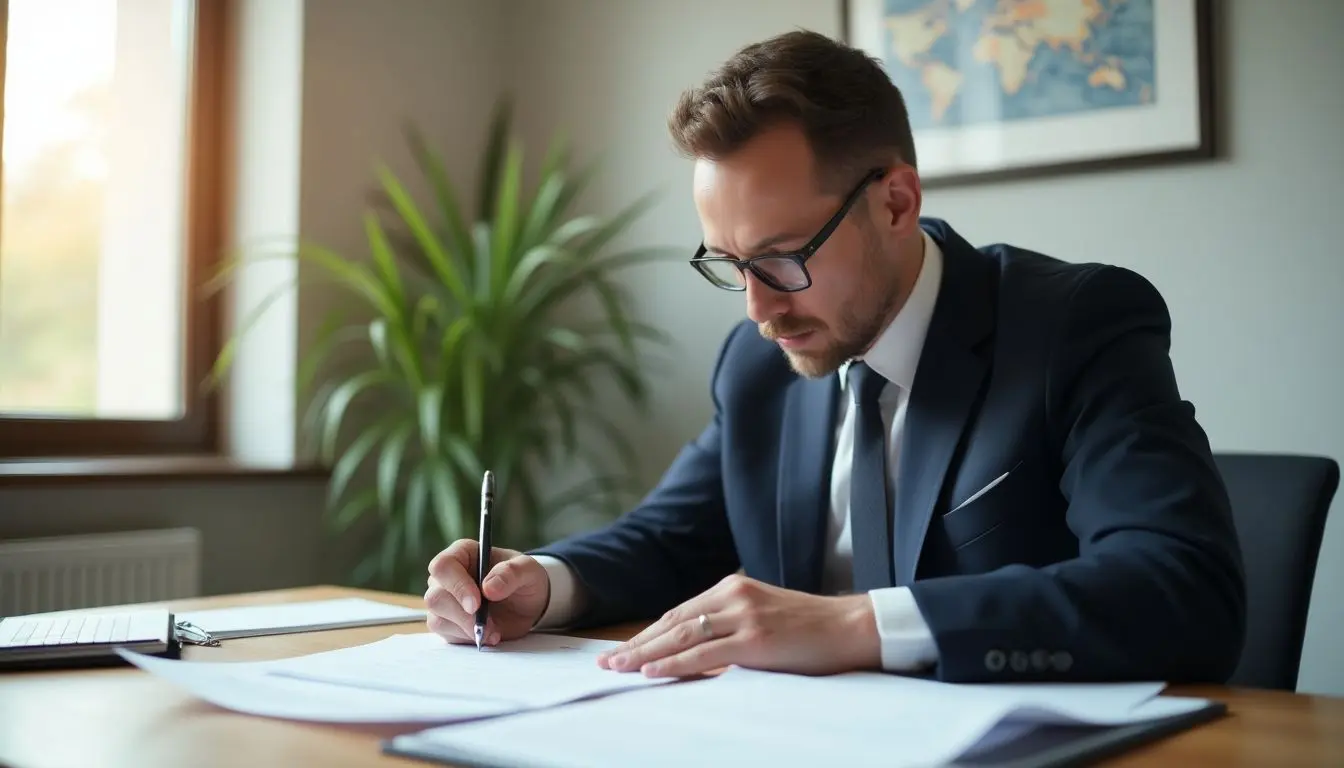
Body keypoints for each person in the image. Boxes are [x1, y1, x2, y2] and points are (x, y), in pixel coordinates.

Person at [424, 29, 1247, 684]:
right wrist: (540, 582)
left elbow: (1182, 588)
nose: (758, 308)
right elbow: (670, 538)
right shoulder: (758, 366)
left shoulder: (1074, 324)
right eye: (729, 263)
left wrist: (856, 623)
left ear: (896, 202)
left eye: (783, 258)